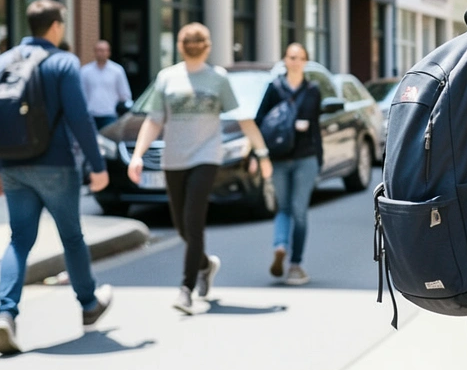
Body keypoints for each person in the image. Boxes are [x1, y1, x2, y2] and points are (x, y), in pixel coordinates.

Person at [0, 0, 113, 354]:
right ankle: (88, 304)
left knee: (19, 239)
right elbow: (80, 119)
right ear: (55, 26)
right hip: (55, 165)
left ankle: (5, 314)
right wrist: (98, 167)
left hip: (11, 165)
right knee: (71, 236)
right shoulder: (63, 62)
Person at [129, 23, 272, 315]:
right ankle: (206, 265)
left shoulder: (217, 78)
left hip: (206, 158)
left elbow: (242, 118)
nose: (193, 44)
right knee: (182, 227)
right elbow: (154, 120)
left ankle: (185, 289)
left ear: (207, 46)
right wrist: (138, 155)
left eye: (198, 40)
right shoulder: (167, 78)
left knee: (193, 221)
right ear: (181, 45)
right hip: (174, 160)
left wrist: (262, 152)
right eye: (188, 40)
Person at [256, 43, 323, 286]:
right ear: (285, 60)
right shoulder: (273, 88)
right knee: (290, 209)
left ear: (305, 61)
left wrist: (320, 160)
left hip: (306, 158)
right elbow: (260, 121)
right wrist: (260, 156)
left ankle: (284, 250)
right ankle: (290, 260)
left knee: (295, 210)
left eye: (299, 57)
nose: (295, 61)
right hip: (280, 158)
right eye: (291, 57)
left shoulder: (313, 90)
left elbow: (316, 127)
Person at [80, 39, 133, 129]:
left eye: (104, 50)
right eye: (99, 50)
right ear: (94, 52)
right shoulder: (85, 71)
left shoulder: (117, 71)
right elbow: (81, 93)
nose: (101, 53)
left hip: (109, 115)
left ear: (109, 52)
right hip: (90, 115)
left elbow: (125, 94)